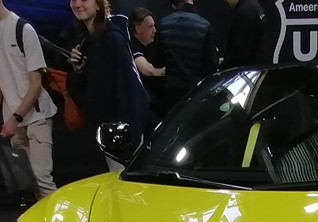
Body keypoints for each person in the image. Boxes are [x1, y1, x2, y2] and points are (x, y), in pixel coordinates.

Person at [0, 0, 59, 201]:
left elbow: (35, 85)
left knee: (41, 178)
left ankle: (60, 219)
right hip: (13, 120)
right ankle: (43, 220)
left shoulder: (23, 29)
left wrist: (15, 118)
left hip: (37, 116)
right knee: (28, 182)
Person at [67, 0, 152, 169]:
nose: (77, 4)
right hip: (107, 132)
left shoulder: (112, 39)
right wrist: (78, 70)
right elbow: (85, 91)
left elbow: (130, 88)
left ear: (98, 4)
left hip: (122, 136)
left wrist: (129, 135)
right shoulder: (87, 41)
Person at [151, 0, 219, 113]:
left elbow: (157, 61)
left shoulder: (163, 23)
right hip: (196, 89)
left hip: (171, 91)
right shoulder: (204, 24)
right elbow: (212, 64)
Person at [129, 6, 165, 110]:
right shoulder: (132, 46)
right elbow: (146, 69)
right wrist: (166, 71)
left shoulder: (149, 46)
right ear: (138, 28)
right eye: (150, 27)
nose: (155, 30)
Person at [223, 0, 266, 69]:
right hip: (257, 64)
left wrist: (226, 67)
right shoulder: (253, 5)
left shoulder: (246, 12)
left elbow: (240, 50)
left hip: (245, 68)